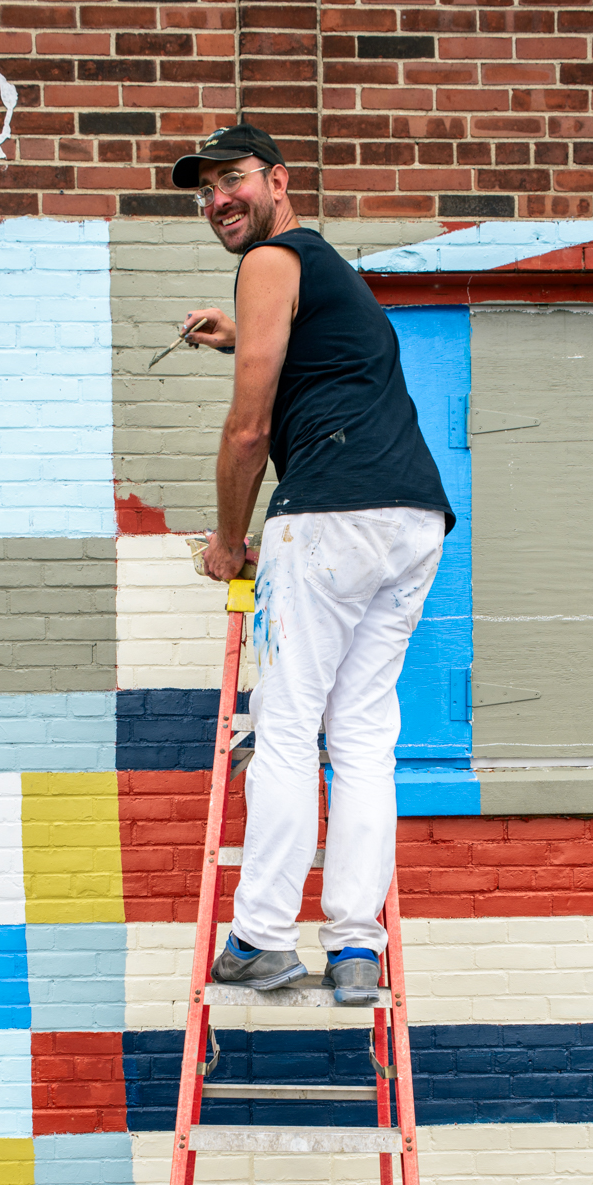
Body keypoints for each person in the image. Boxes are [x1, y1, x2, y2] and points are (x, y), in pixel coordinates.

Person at [170, 122, 455, 1000]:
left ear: (278, 180)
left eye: (232, 181)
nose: (218, 200)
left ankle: (259, 935)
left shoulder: (268, 261)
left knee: (289, 724)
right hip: (413, 521)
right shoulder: (330, 275)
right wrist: (235, 335)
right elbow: (316, 359)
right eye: (203, 190)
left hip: (329, 516)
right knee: (364, 734)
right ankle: (356, 949)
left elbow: (249, 425)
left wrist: (228, 538)